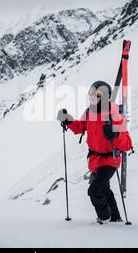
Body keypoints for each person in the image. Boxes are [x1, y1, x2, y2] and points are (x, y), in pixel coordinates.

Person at [57, 81, 133, 224]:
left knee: (95, 191)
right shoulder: (89, 111)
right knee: (104, 189)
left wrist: (115, 135)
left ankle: (104, 217)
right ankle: (116, 217)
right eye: (91, 92)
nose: (92, 96)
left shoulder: (114, 114)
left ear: (104, 97)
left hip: (110, 160)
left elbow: (127, 144)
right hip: (95, 160)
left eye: (96, 94)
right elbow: (80, 127)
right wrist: (68, 120)